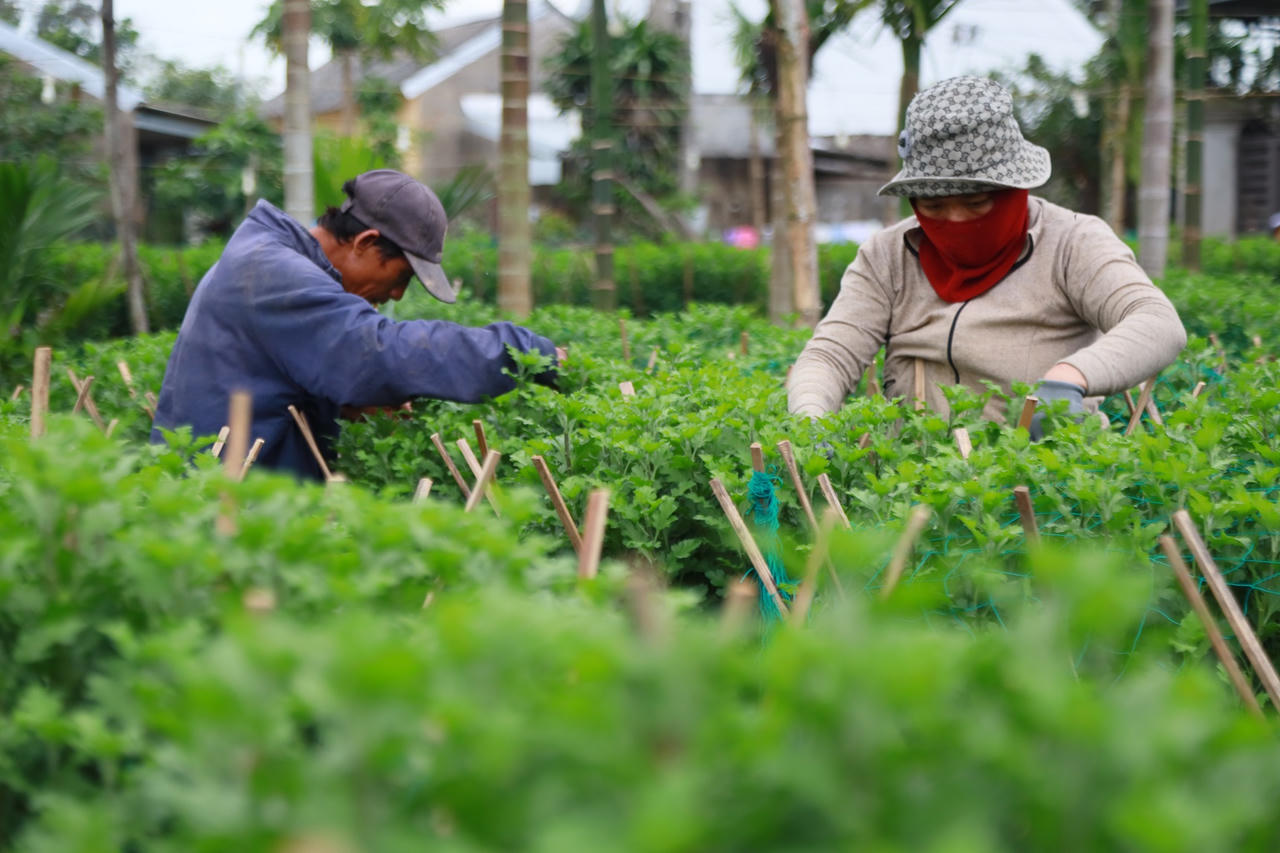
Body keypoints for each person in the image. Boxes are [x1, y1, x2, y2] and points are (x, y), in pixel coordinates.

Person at [787, 76, 1186, 435]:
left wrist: (1071, 376)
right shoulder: (888, 254)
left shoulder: (1073, 242)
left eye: (977, 203)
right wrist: (810, 420)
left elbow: (1156, 322)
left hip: (1043, 477)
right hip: (913, 479)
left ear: (1016, 189)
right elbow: (831, 354)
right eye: (933, 206)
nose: (955, 220)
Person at [152, 169, 563, 480]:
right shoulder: (273, 271)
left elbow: (271, 372)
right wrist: (524, 353)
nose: (398, 295)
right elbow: (376, 351)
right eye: (401, 277)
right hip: (219, 503)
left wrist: (343, 404)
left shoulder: (266, 258)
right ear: (365, 243)